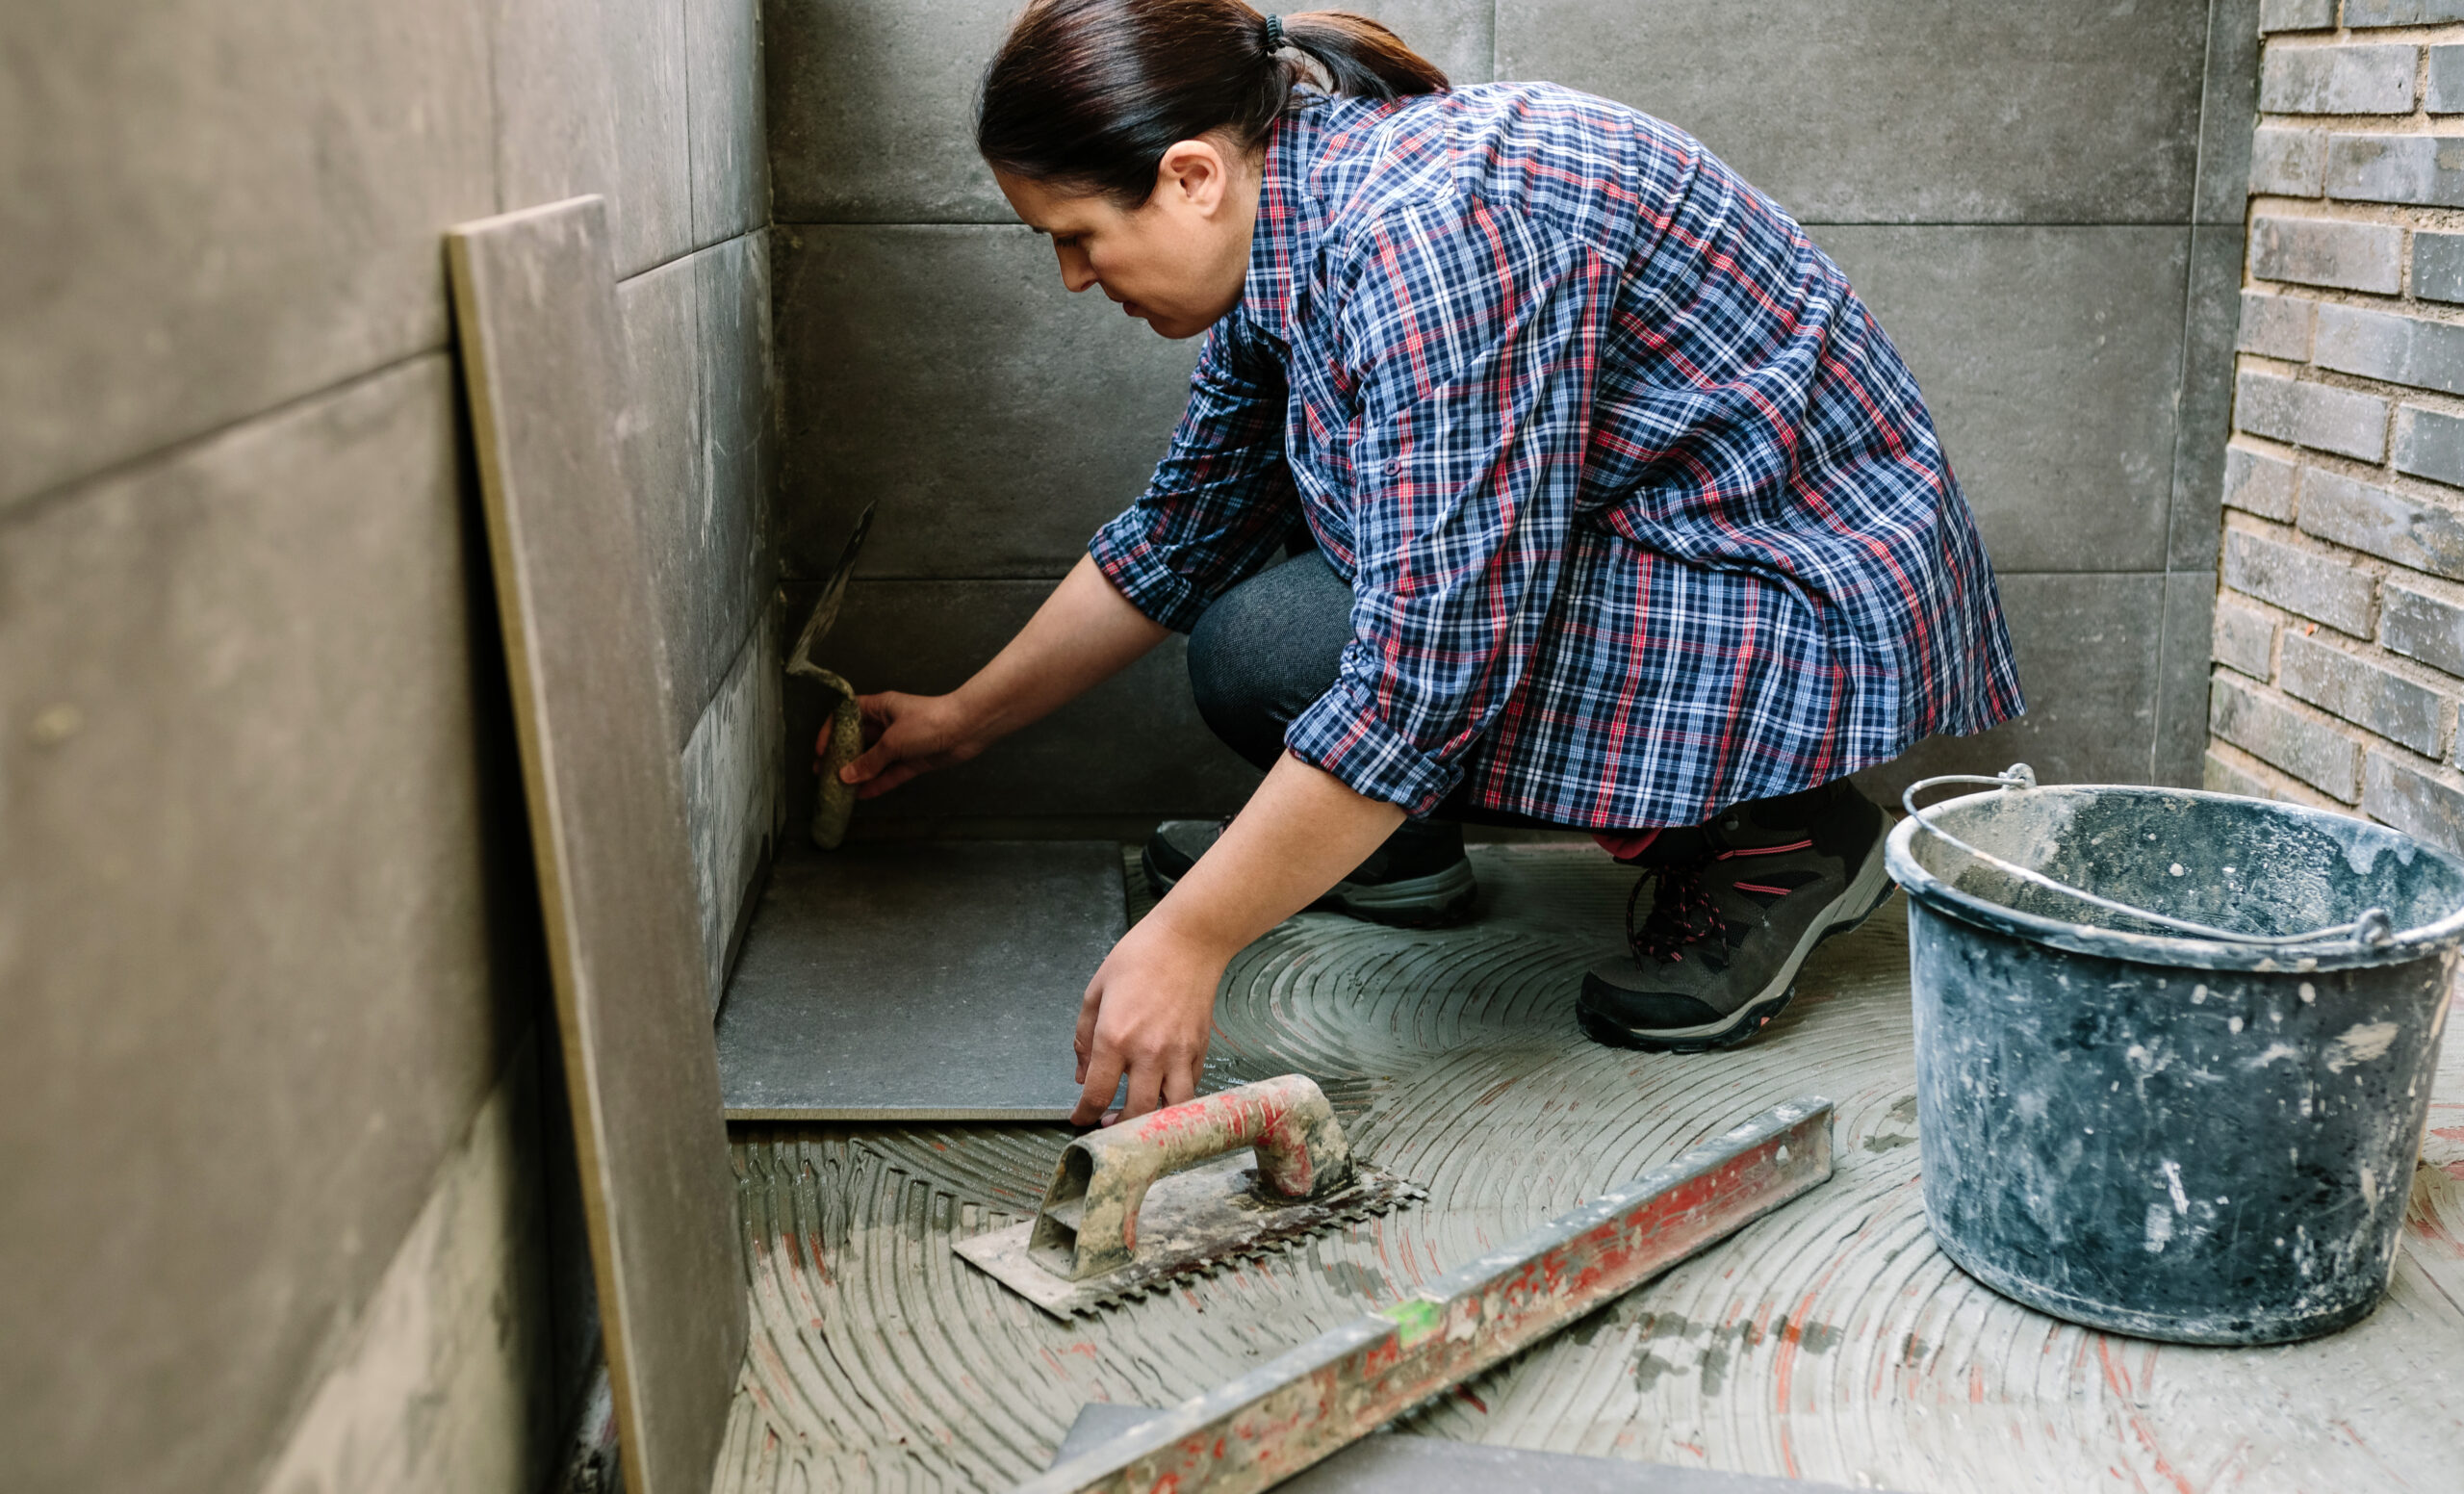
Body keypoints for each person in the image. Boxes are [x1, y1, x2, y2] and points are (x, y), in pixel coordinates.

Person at [822, 1, 2022, 1125]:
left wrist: (1191, 937)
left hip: (1784, 596)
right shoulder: (1289, 225)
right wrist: (962, 719)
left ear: (1189, 176)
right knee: (1259, 638)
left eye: (1077, 236)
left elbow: (1430, 668)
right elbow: (1183, 529)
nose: (1075, 276)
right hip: (1656, 559)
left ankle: (1784, 837)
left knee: (1299, 653)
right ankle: (1395, 841)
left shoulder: (1431, 237)